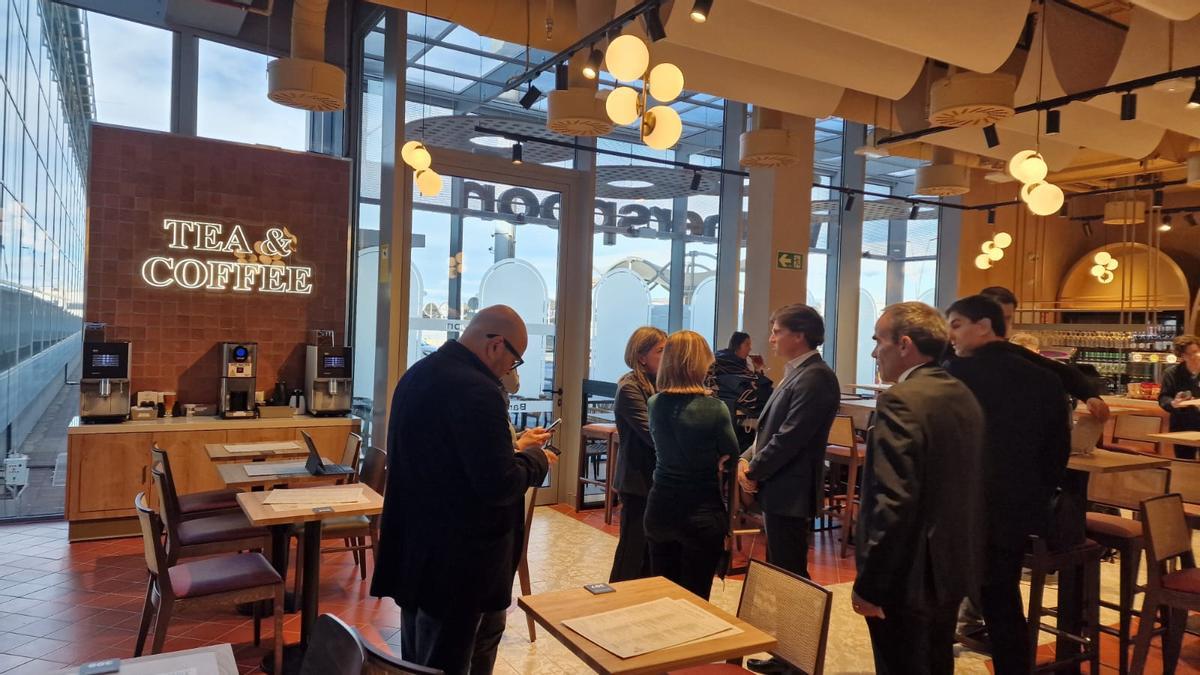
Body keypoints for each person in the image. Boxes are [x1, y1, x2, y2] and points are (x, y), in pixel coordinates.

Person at [371, 305, 558, 675]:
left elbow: (452, 459)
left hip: (419, 552)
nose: (511, 370)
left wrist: (514, 449)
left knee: (420, 658)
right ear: (495, 345)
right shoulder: (477, 390)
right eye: (514, 360)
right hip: (458, 564)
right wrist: (536, 459)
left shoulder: (419, 374)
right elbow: (498, 482)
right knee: (448, 662)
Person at [853, 302, 985, 675]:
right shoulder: (961, 393)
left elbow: (893, 501)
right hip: (952, 563)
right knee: (936, 660)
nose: (875, 351)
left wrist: (871, 584)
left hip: (907, 573)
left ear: (904, 344)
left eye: (879, 340)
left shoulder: (900, 400)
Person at [945, 295, 1071, 675]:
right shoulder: (1046, 378)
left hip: (959, 506)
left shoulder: (954, 375)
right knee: (1003, 599)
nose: (950, 335)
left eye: (955, 325)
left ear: (983, 325)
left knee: (942, 597)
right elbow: (1057, 452)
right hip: (1014, 510)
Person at [736, 305, 840, 579]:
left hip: (791, 489)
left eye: (777, 332)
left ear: (800, 335)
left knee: (789, 573)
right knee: (779, 568)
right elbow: (767, 430)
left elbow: (790, 437)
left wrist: (753, 470)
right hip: (778, 487)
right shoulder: (796, 371)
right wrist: (745, 458)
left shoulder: (816, 376)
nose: (771, 339)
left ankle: (798, 623)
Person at [643, 330, 739, 600]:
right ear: (698, 363)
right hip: (701, 512)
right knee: (696, 600)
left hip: (660, 507)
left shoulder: (654, 403)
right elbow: (731, 456)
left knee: (662, 597)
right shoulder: (715, 408)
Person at [980, 286, 1109, 422]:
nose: (1003, 325)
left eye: (1007, 319)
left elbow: (1064, 372)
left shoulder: (1012, 352)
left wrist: (1091, 396)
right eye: (997, 318)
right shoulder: (959, 355)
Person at [609, 326, 667, 583]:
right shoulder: (629, 388)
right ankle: (614, 610)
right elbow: (653, 435)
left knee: (653, 557)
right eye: (660, 351)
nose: (667, 358)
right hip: (637, 482)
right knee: (631, 555)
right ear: (641, 357)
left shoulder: (662, 385)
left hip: (657, 481)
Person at [708, 331, 774, 451]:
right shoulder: (723, 361)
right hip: (738, 408)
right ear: (737, 345)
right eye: (747, 344)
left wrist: (758, 369)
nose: (750, 348)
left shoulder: (746, 363)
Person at [1159, 334, 1200, 460]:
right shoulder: (1172, 373)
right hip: (1183, 425)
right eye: (1193, 352)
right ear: (1183, 356)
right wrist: (1173, 403)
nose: (1198, 354)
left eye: (1198, 350)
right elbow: (1163, 398)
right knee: (1185, 464)